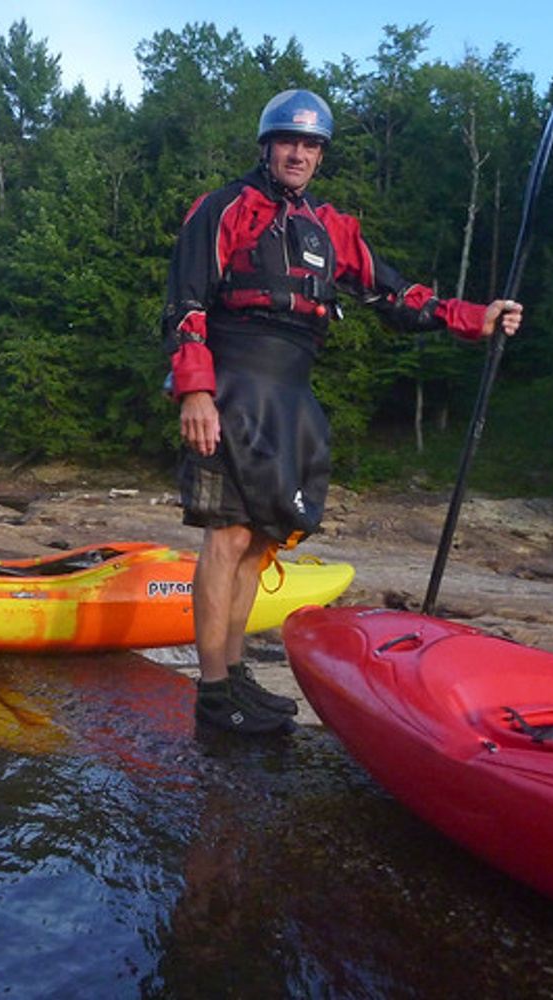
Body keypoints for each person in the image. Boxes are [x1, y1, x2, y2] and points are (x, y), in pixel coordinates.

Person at [161, 89, 524, 736]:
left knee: (261, 539)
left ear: (319, 155)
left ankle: (236, 674)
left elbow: (396, 295)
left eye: (310, 146)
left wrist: (476, 318)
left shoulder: (330, 229)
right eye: (287, 142)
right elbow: (184, 304)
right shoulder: (221, 209)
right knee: (226, 535)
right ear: (266, 147)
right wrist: (193, 390)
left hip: (292, 389)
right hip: (234, 378)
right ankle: (212, 692)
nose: (297, 154)